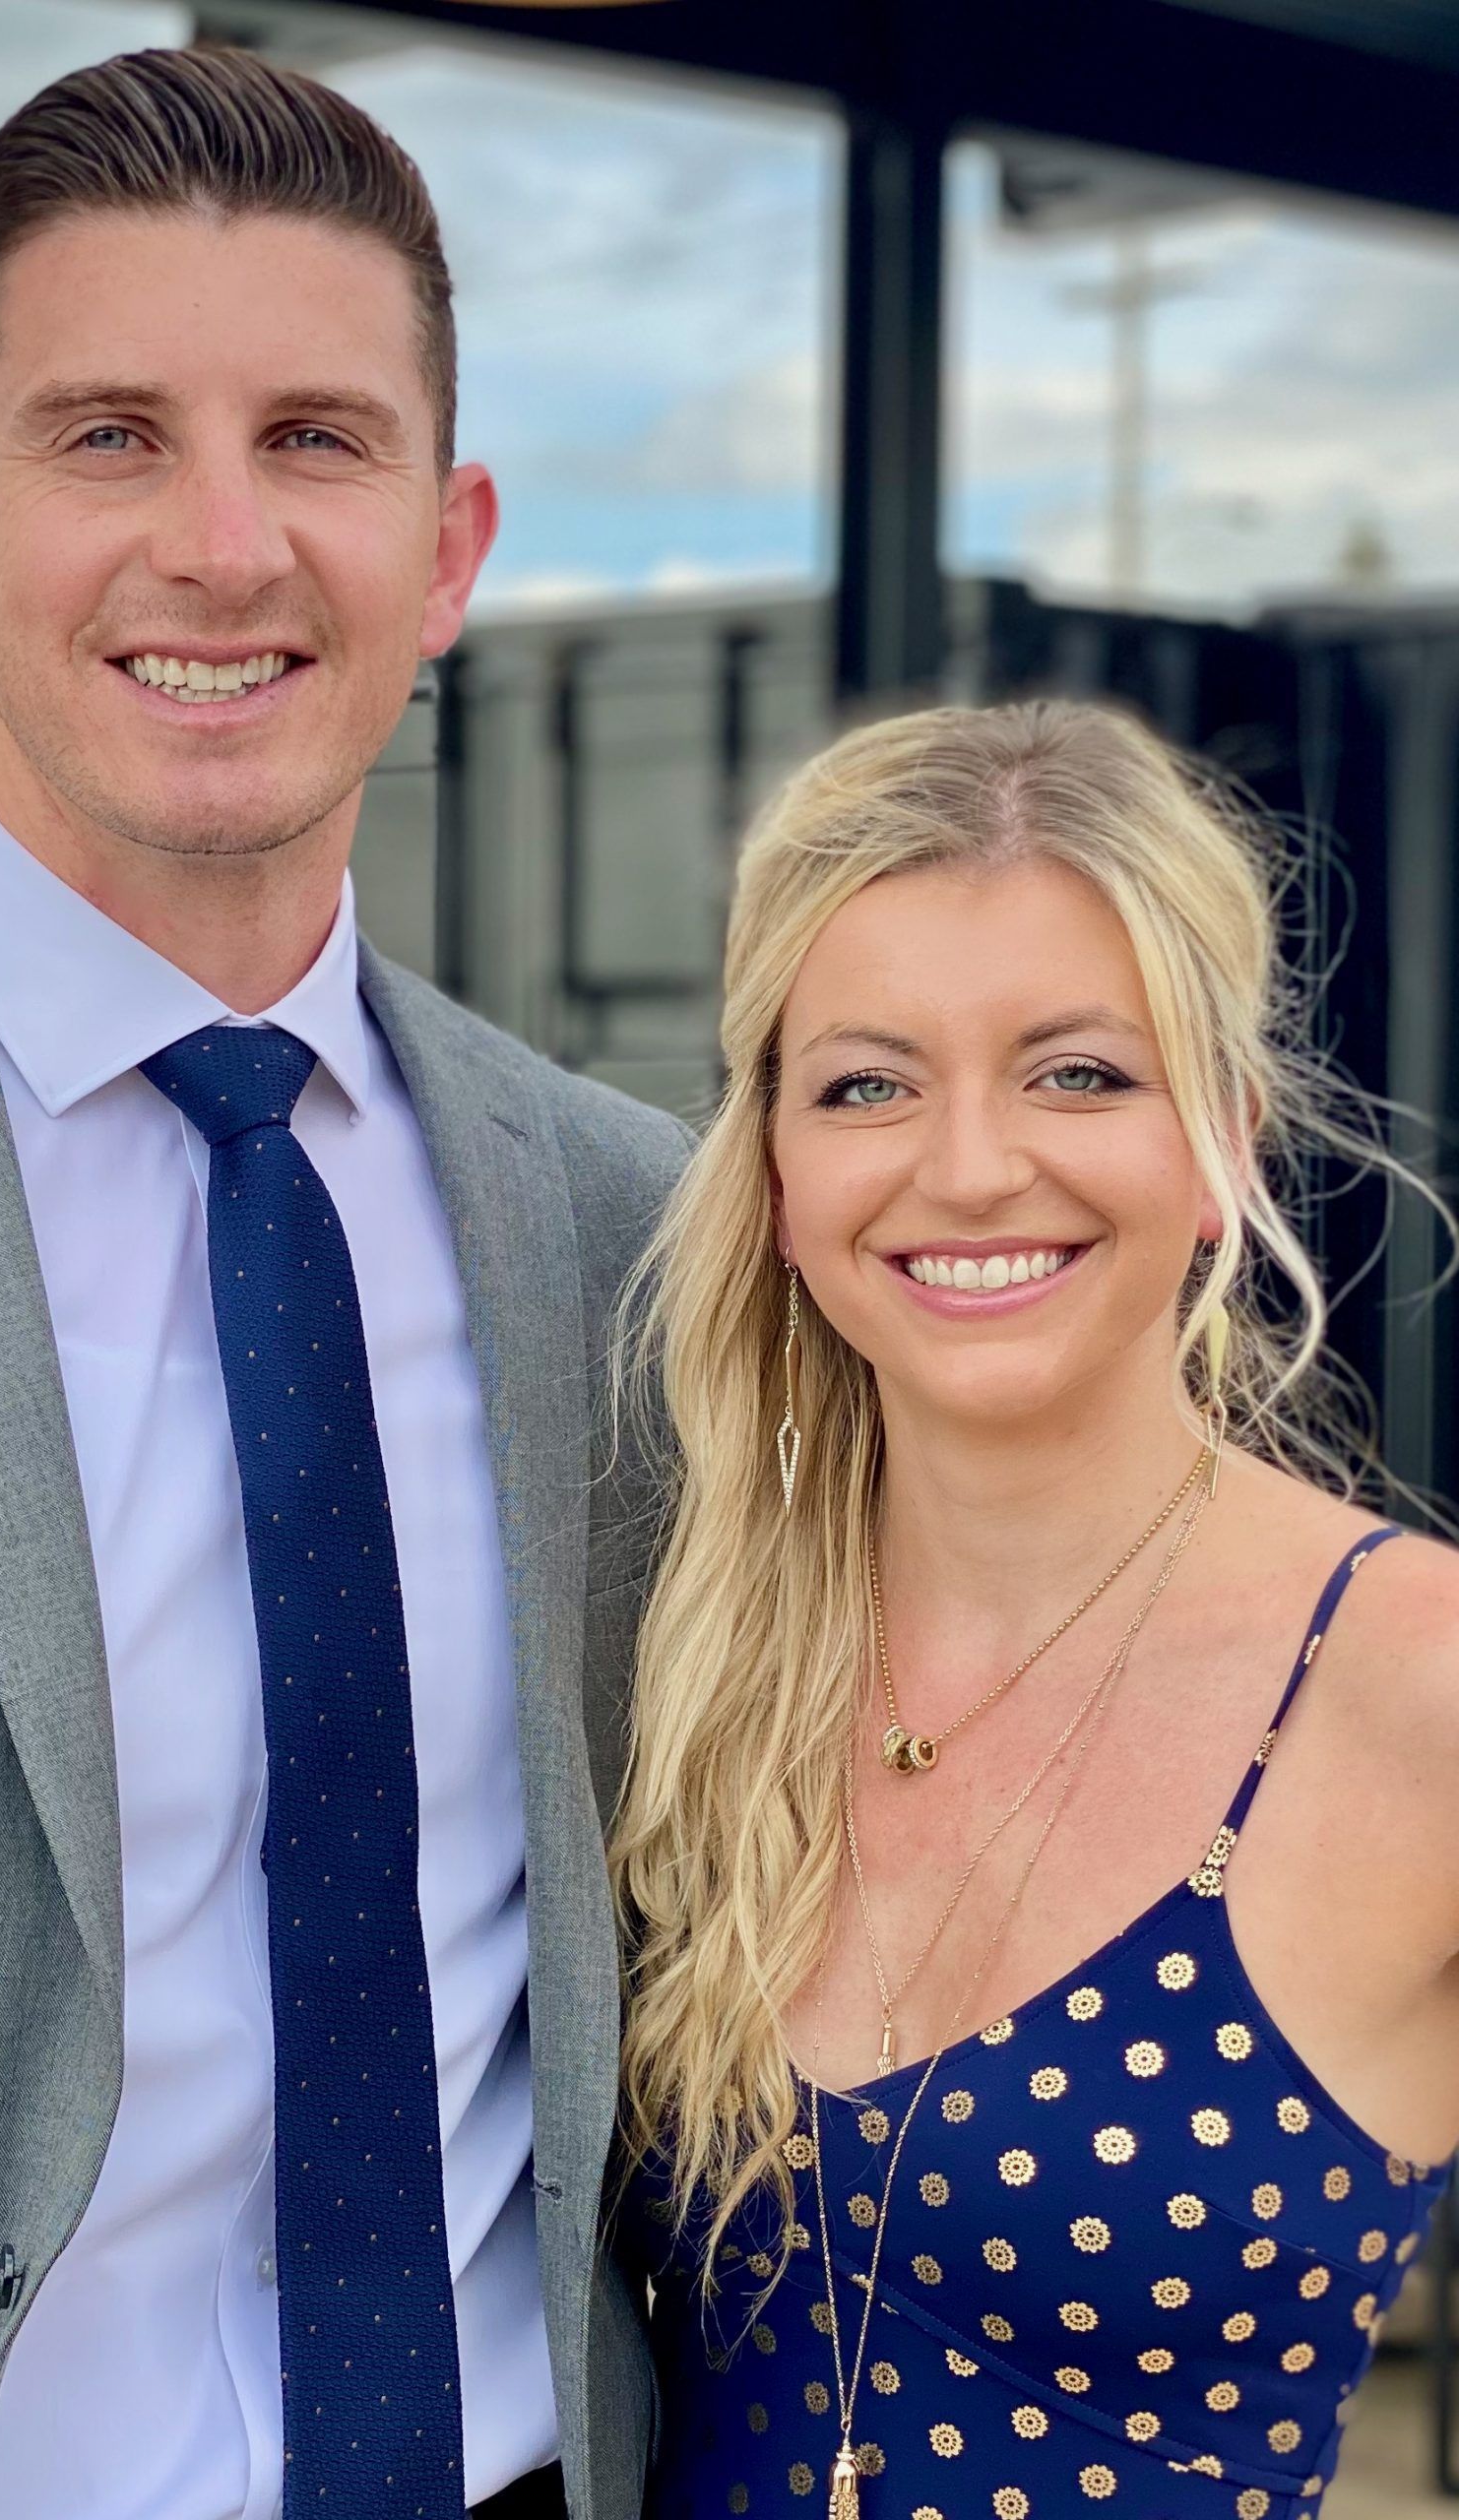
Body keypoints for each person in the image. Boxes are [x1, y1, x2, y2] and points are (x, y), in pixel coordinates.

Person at [0, 45, 687, 2520]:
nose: (221, 543)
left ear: (452, 541)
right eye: (105, 438)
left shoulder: (632, 1233)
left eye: (315, 437)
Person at [609, 699, 1459, 2517]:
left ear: (1222, 1134)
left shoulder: (1417, 1689)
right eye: (867, 1082)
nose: (972, 1165)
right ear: (773, 1169)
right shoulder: (682, 1651)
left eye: (1077, 1072)